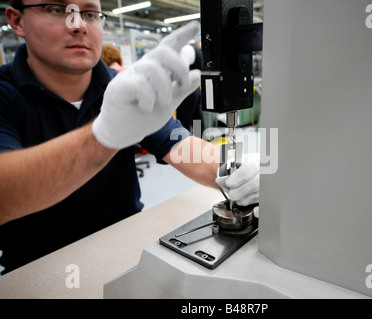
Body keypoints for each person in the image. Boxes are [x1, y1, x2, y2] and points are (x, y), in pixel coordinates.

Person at [0, 0, 259, 274]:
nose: (77, 25)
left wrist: (237, 172)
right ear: (17, 21)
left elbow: (180, 144)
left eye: (89, 13)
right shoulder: (5, 95)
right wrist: (103, 135)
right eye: (55, 9)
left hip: (123, 247)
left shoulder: (122, 87)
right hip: (35, 268)